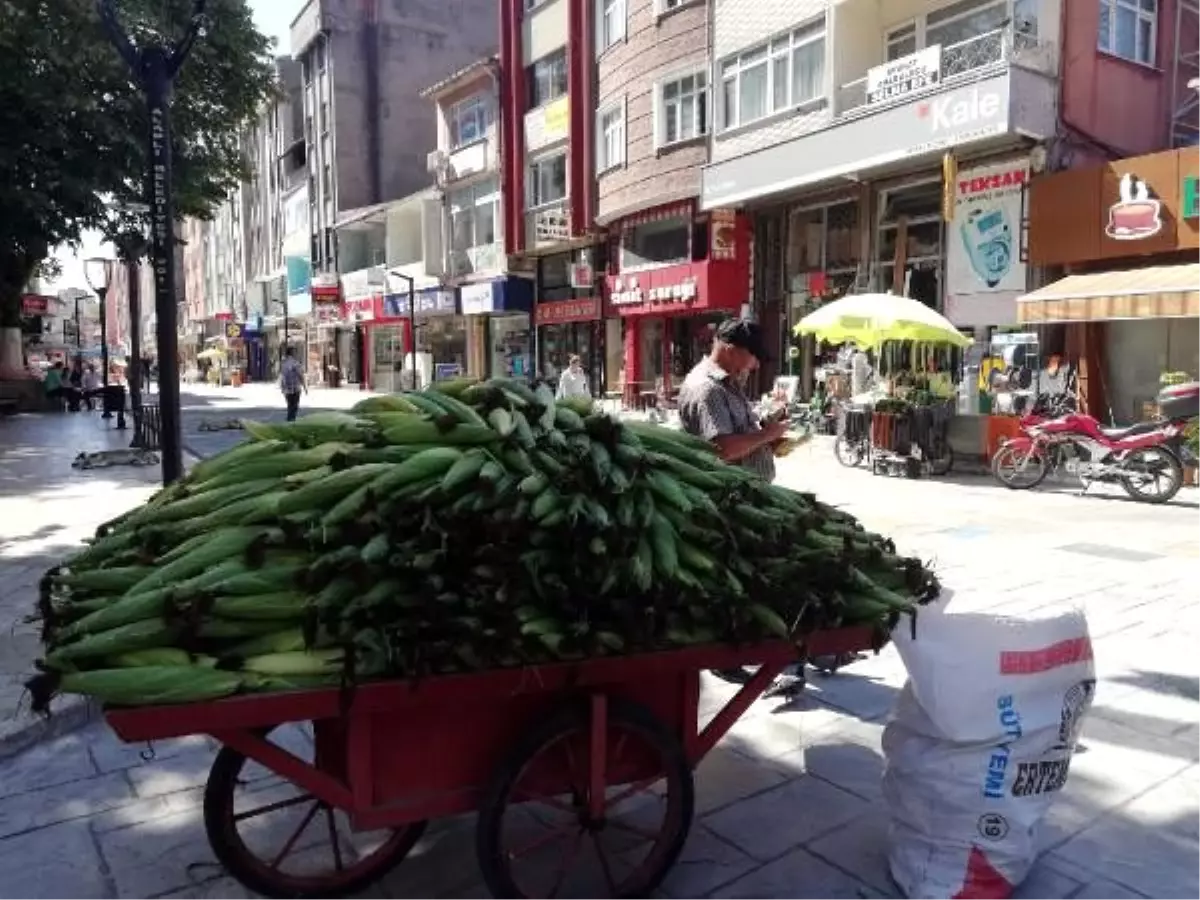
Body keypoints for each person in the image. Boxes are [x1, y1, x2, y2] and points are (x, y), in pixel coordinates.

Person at [677, 319, 794, 687]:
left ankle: (735, 648)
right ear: (728, 348)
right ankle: (726, 654)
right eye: (752, 356)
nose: (755, 365)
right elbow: (723, 449)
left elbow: (741, 436)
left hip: (746, 497)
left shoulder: (730, 384)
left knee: (742, 576)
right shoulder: (707, 389)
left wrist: (767, 436)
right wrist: (767, 434)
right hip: (725, 502)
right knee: (731, 579)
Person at [280, 346, 306, 422]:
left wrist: (282, 387)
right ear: (292, 353)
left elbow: (282, 376)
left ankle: (289, 419)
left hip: (287, 389)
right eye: (295, 352)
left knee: (289, 405)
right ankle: (291, 420)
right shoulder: (295, 363)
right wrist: (304, 386)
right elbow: (300, 375)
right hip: (295, 388)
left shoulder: (284, 364)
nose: (296, 354)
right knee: (294, 406)